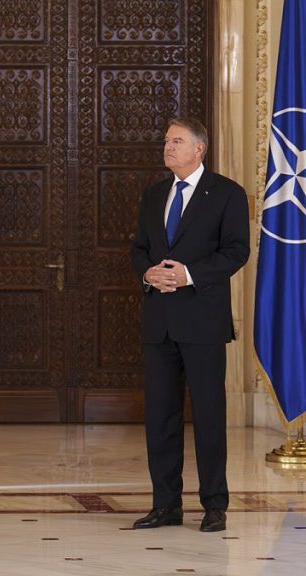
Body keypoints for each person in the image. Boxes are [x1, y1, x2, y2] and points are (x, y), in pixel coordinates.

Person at [130, 117, 250, 533]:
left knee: (209, 417)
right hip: (160, 324)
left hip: (202, 322)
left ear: (199, 149)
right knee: (160, 419)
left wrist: (188, 275)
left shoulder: (228, 194)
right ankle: (166, 505)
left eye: (176, 141)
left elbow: (237, 251)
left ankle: (214, 505)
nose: (168, 147)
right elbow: (139, 249)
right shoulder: (153, 195)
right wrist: (148, 274)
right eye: (166, 141)